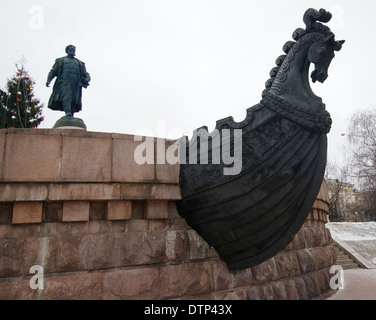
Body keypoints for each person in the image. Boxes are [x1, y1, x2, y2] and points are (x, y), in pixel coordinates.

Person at [46, 45, 90, 117]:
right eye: (71, 48)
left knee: (74, 99)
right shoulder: (61, 60)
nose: (72, 50)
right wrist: (49, 80)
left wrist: (87, 79)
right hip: (65, 81)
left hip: (76, 82)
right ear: (66, 50)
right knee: (66, 96)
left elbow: (85, 74)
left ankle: (71, 115)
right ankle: (68, 112)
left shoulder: (80, 63)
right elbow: (53, 71)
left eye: (73, 49)